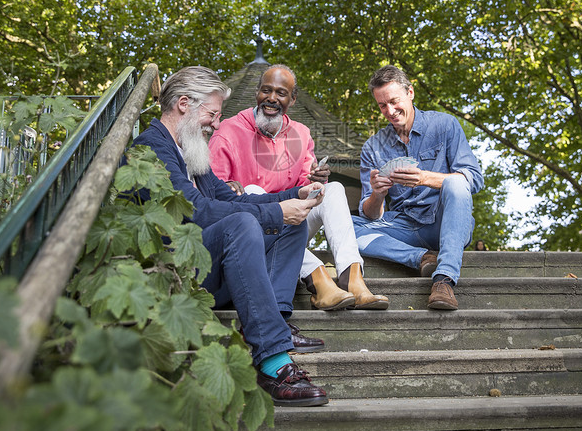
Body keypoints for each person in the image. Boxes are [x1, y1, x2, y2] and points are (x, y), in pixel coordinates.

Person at [130, 66, 329, 406]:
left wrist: (292, 196)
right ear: (183, 104)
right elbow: (196, 210)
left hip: (208, 268)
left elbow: (230, 200)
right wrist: (275, 212)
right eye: (212, 114)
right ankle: (273, 362)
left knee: (289, 222)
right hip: (176, 273)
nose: (217, 124)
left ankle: (273, 318)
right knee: (243, 224)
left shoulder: (191, 151)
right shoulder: (150, 148)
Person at [209, 64, 388, 310]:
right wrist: (227, 185)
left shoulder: (301, 134)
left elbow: (304, 189)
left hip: (291, 229)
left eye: (281, 93)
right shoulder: (228, 130)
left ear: (292, 100)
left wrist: (317, 179)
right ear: (257, 93)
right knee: (255, 192)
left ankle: (352, 278)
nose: (271, 98)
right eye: (266, 90)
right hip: (250, 232)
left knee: (334, 188)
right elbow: (211, 192)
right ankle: (318, 279)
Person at [353, 65, 484, 311]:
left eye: (394, 101)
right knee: (344, 226)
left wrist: (424, 178)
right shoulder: (373, 146)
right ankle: (422, 258)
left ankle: (443, 280)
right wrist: (378, 194)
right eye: (382, 105)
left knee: (456, 182)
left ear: (410, 93)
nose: (390, 111)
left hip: (444, 223)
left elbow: (473, 179)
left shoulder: (444, 125)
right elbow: (369, 215)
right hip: (402, 226)